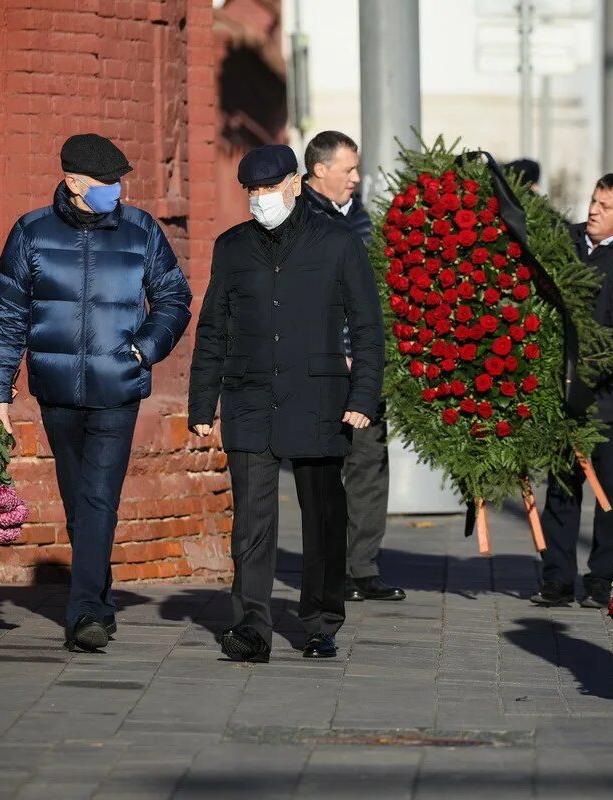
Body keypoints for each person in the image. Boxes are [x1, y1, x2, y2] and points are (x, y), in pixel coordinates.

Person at [0, 133, 193, 653]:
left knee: (99, 497)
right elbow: (8, 316)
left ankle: (85, 615)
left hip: (118, 388)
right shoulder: (30, 232)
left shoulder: (141, 229)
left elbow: (174, 297)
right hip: (55, 390)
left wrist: (144, 350)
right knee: (79, 501)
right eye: (105, 183)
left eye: (120, 182)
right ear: (73, 183)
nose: (117, 192)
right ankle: (97, 592)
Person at [188, 144, 383, 663]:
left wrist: (363, 394)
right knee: (251, 523)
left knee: (323, 518)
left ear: (295, 184)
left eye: (268, 189)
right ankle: (251, 626)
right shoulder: (232, 247)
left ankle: (320, 621)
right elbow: (213, 329)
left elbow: (367, 327)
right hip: (250, 397)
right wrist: (202, 404)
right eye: (251, 191)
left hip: (320, 399)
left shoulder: (338, 243)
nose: (259, 200)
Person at [300, 130, 405, 603]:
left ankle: (362, 566)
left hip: (362, 367)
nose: (357, 179)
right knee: (322, 469)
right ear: (320, 170)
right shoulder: (294, 219)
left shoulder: (362, 224)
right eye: (349, 170)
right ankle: (327, 567)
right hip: (315, 372)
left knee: (368, 461)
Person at [531, 173, 613, 610]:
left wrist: (596, 369)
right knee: (561, 492)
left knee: (612, 498)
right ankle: (557, 579)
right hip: (563, 396)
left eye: (605, 205)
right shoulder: (568, 244)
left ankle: (600, 582)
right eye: (593, 201)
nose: (593, 210)